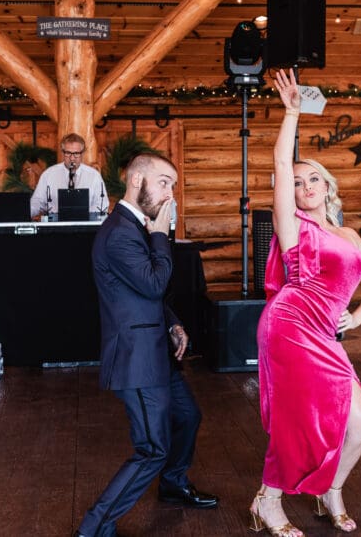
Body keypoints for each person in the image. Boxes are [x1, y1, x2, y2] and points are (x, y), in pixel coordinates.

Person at [249, 68, 361, 536]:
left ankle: (331, 489)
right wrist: (292, 112)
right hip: (290, 324)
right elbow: (281, 165)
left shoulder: (348, 234)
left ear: (328, 187)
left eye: (314, 181)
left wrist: (357, 319)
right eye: (299, 181)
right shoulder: (293, 225)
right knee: (298, 419)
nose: (305, 187)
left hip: (326, 333)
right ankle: (268, 502)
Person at [75, 153, 217, 537]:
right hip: (136, 359)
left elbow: (143, 292)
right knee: (152, 448)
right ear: (137, 181)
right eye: (164, 182)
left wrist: (172, 323)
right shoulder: (121, 231)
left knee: (187, 415)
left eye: (173, 184)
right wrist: (160, 232)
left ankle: (172, 485)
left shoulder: (133, 225)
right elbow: (154, 283)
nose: (171, 193)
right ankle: (93, 528)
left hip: (157, 350)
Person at [29, 132, 108, 218]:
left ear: (82, 153)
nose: (72, 158)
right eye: (68, 153)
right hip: (56, 227)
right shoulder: (49, 174)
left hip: (85, 227)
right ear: (63, 153)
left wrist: (85, 217)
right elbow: (37, 201)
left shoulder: (94, 176)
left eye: (76, 153)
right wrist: (25, 213)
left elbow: (102, 204)